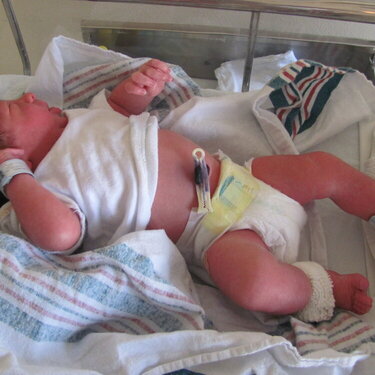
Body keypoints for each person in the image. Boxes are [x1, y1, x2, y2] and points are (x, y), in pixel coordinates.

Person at [0, 59, 373, 323]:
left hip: (245, 177)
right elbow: (59, 235)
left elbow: (118, 108)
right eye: (14, 106)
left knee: (322, 168)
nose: (29, 96)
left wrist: (136, 90)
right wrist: (16, 173)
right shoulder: (44, 186)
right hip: (219, 234)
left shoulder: (81, 116)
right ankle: (319, 288)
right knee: (255, 287)